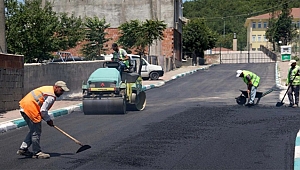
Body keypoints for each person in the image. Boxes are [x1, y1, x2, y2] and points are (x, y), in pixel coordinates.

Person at [17, 81, 70, 159]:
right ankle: (37, 152)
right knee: (36, 132)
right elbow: (43, 110)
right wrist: (48, 120)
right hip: (30, 108)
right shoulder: (51, 96)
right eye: (61, 90)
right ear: (56, 87)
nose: (62, 92)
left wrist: (46, 119)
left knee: (33, 130)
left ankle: (23, 149)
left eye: (63, 91)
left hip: (25, 106)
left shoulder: (48, 89)